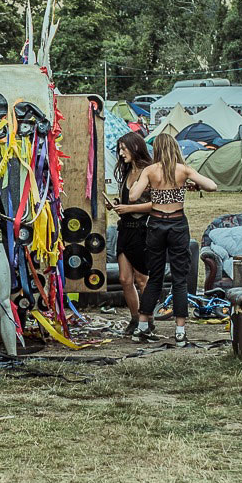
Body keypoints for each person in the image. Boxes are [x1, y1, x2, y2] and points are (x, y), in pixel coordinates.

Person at [127, 132, 218, 343]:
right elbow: (212, 186)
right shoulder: (183, 170)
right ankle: (179, 330)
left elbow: (132, 196)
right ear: (175, 148)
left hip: (156, 224)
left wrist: (148, 186)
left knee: (155, 277)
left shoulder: (150, 170)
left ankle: (142, 326)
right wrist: (187, 185)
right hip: (177, 224)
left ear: (157, 149)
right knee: (179, 278)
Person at [103, 132, 154, 340]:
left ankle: (148, 319)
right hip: (124, 228)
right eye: (120, 149)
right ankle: (135, 318)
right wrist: (116, 205)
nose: (121, 153)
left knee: (142, 279)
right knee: (125, 279)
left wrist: (129, 208)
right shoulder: (126, 172)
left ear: (136, 148)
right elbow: (127, 201)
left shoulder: (148, 172)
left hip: (141, 229)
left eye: (125, 149)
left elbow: (157, 205)